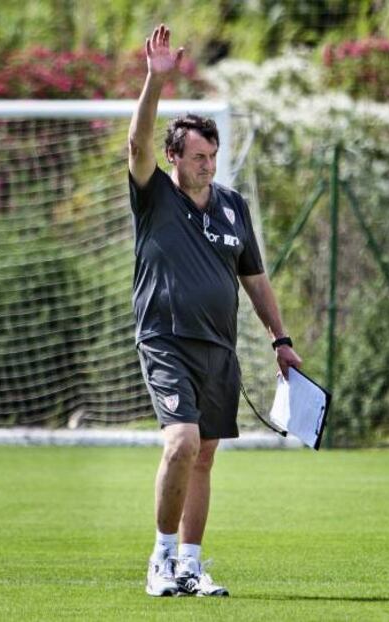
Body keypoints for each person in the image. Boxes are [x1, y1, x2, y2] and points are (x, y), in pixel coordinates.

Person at [128, 24, 302, 598]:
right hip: (166, 340)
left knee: (203, 458)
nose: (208, 165)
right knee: (179, 441)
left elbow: (255, 279)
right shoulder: (155, 195)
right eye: (198, 156)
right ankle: (160, 559)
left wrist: (281, 339)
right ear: (174, 157)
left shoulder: (232, 207)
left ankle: (190, 565)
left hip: (218, 348)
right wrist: (155, 81)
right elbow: (136, 145)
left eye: (213, 156)